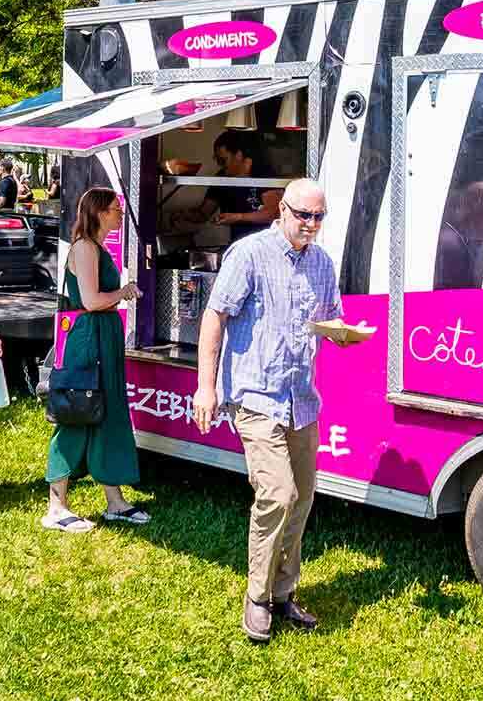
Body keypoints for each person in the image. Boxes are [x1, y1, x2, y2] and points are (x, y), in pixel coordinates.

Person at [190, 179, 350, 643]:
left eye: (319, 218)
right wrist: (206, 387)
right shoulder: (250, 254)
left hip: (302, 399)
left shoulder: (321, 262)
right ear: (283, 210)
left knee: (301, 499)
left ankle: (283, 593)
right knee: (276, 495)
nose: (311, 226)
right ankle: (257, 598)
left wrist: (341, 331)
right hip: (257, 396)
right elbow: (214, 315)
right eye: (304, 216)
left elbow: (328, 316)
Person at [46, 187, 149, 533]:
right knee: (79, 412)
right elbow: (90, 301)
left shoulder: (98, 247)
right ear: (100, 212)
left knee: (107, 413)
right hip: (89, 338)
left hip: (103, 336)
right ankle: (56, 506)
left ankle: (115, 501)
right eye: (115, 208)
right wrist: (124, 291)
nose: (120, 214)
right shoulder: (85, 247)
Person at [208, 130, 283, 241]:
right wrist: (184, 216)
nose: (220, 165)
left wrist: (238, 217)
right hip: (239, 245)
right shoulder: (221, 178)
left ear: (238, 155)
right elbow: (203, 212)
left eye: (223, 160)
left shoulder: (264, 174)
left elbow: (272, 214)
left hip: (266, 245)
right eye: (218, 160)